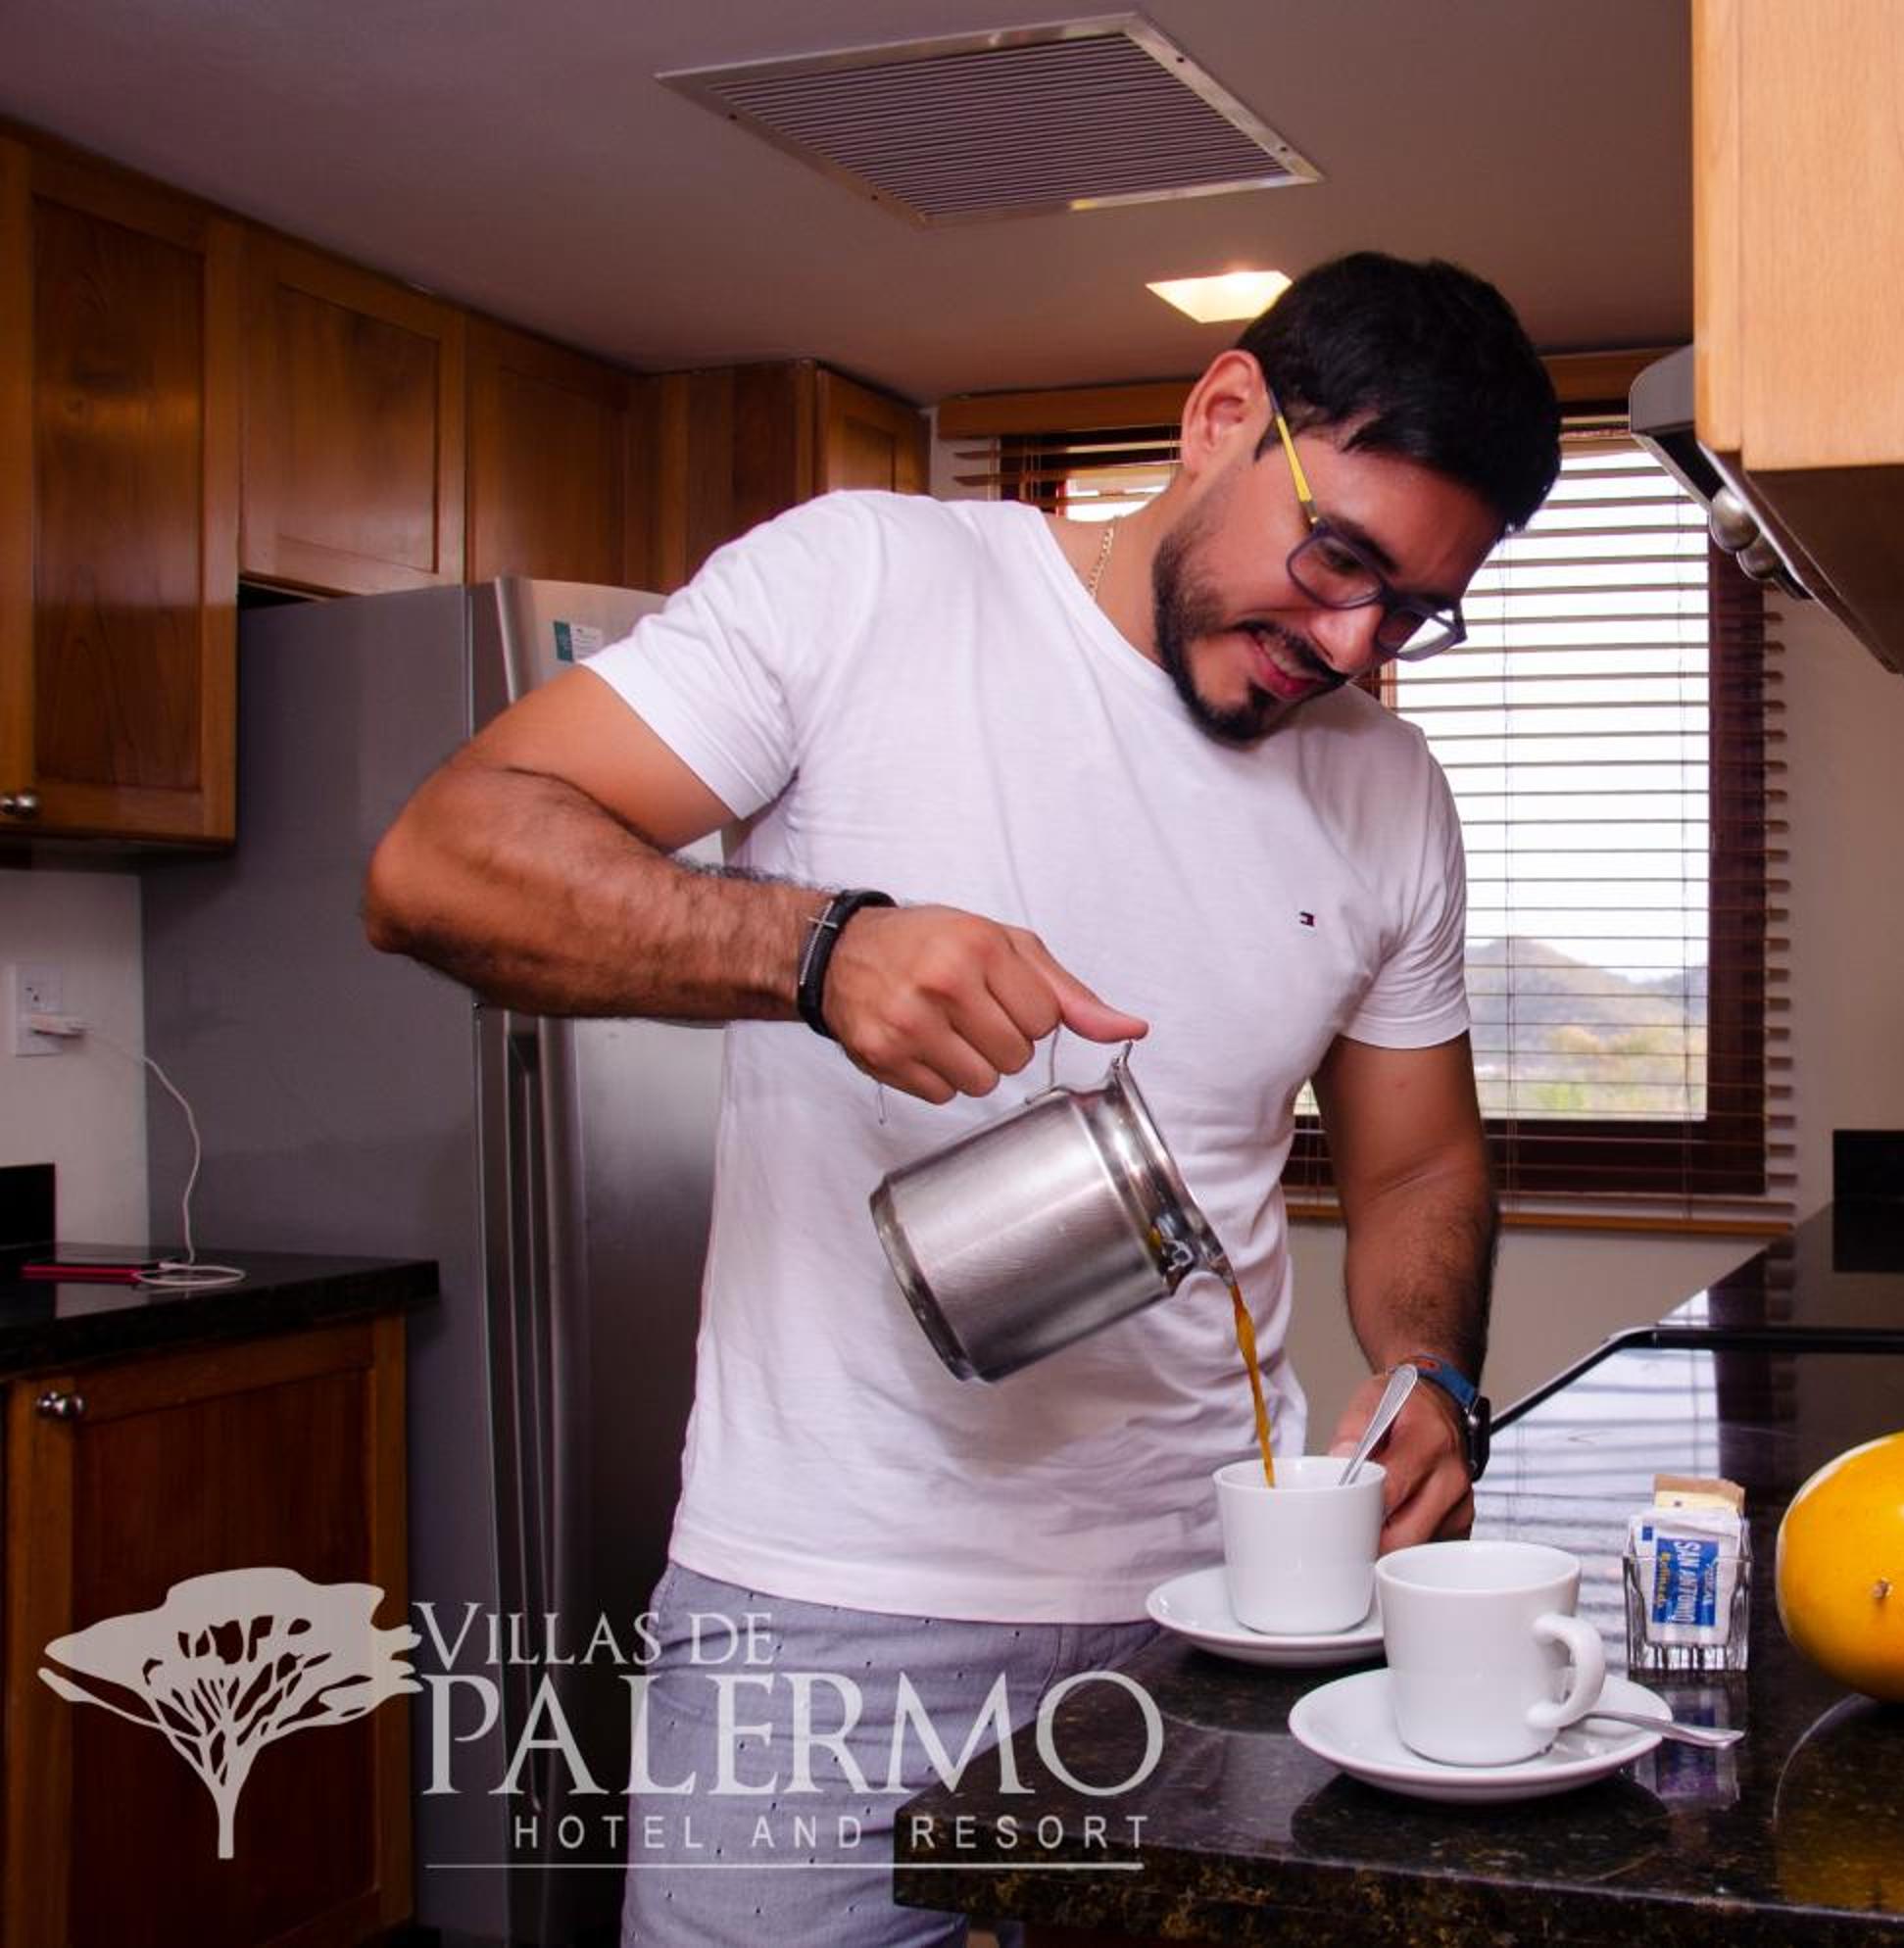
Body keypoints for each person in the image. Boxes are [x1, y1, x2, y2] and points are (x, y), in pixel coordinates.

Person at [362, 251, 1562, 1945]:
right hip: (835, 1618)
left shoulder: (1389, 789)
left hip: (1225, 1622)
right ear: (1225, 415)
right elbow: (439, 863)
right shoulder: (871, 582)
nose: (1353, 643)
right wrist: (814, 949)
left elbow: (1422, 1164)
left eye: (1413, 609)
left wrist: (1430, 1369)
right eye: (1339, 557)